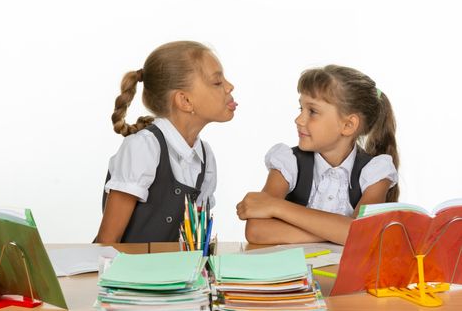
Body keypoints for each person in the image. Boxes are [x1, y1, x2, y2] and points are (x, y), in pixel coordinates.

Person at [236, 65, 398, 245]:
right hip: (295, 273)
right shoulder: (288, 162)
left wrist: (276, 207)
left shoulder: (375, 172)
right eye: (301, 109)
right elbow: (257, 231)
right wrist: (340, 232)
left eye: (312, 111)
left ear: (348, 125)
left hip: (344, 273)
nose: (299, 120)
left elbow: (364, 233)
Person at [96, 41, 237, 243]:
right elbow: (107, 241)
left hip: (172, 273)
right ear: (185, 101)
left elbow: (194, 243)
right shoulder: (143, 148)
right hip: (126, 272)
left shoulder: (205, 157)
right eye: (217, 82)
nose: (230, 86)